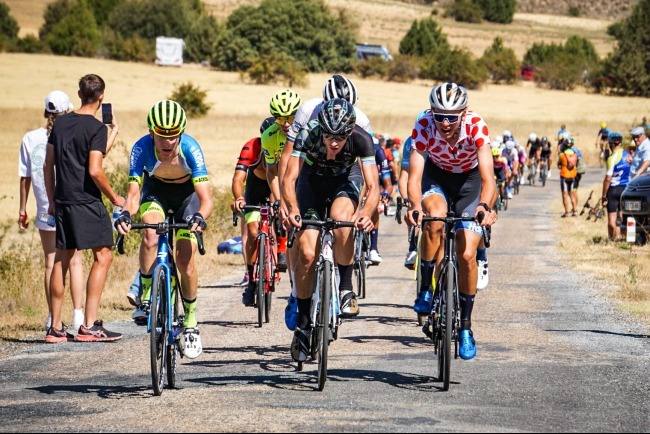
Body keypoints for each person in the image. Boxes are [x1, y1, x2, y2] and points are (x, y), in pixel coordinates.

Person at [282, 98, 379, 362]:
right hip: (311, 183)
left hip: (344, 181)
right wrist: (291, 208)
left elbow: (373, 186)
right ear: (321, 129)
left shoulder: (362, 139)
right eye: (328, 136)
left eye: (340, 137)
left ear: (350, 131)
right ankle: (303, 323)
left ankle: (345, 286)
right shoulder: (309, 133)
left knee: (342, 220)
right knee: (306, 253)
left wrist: (365, 213)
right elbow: (290, 178)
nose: (333, 142)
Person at [114, 100, 213, 359]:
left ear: (181, 133)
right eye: (161, 137)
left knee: (184, 259)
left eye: (173, 137)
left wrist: (200, 216)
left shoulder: (191, 149)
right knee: (150, 233)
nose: (168, 143)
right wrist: (125, 213)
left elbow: (206, 198)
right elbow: (134, 195)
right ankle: (146, 294)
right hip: (156, 192)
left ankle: (190, 321)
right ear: (151, 133)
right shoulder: (141, 148)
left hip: (186, 198)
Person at [407, 82, 497, 361]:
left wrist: (485, 205)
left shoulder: (476, 126)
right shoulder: (424, 124)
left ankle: (467, 327)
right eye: (439, 116)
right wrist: (413, 205)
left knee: (468, 253)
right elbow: (414, 175)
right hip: (436, 177)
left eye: (451, 117)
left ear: (463, 113)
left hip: (469, 183)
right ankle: (425, 287)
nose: (445, 123)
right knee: (433, 219)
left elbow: (488, 179)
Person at [43, 74, 124, 343]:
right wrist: (115, 197)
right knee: (103, 255)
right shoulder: (96, 128)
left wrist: (53, 199)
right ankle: (88, 325)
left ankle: (54, 328)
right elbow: (94, 169)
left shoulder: (61, 124)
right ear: (101, 97)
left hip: (64, 200)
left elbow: (49, 164)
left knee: (61, 260)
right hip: (87, 201)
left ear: (79, 94)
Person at [18, 91, 85, 333]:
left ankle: (52, 318)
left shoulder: (30, 138)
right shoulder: (70, 133)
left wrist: (22, 208)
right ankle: (79, 316)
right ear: (67, 110)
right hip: (69, 203)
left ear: (46, 112)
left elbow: (25, 176)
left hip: (46, 206)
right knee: (75, 260)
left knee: (50, 262)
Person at [232, 117, 276, 307]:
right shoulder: (252, 147)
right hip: (255, 190)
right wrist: (239, 198)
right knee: (252, 232)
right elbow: (238, 179)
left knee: (277, 222)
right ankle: (251, 281)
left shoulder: (283, 145)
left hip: (277, 186)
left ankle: (277, 255)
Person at [602, 132, 631, 241]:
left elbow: (608, 179)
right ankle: (623, 238)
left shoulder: (612, 158)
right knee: (623, 218)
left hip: (613, 190)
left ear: (611, 144)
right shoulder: (628, 155)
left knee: (611, 221)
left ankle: (613, 240)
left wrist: (603, 195)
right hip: (626, 190)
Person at [558, 138, 578, 217]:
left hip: (564, 176)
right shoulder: (575, 154)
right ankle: (575, 210)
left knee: (565, 194)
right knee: (572, 194)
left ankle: (567, 212)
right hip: (572, 176)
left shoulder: (562, 155)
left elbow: (559, 164)